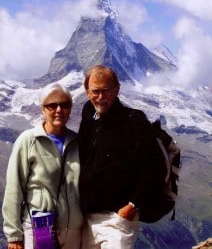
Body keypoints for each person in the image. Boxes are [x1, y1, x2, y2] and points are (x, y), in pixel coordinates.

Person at [78, 65, 167, 249]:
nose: (101, 97)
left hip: (118, 219)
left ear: (117, 90)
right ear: (87, 92)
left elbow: (154, 169)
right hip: (87, 218)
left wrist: (132, 206)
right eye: (96, 91)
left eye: (106, 91)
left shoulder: (134, 121)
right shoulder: (88, 121)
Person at [2, 83, 84, 249]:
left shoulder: (77, 143)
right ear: (43, 109)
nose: (59, 110)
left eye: (64, 105)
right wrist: (13, 234)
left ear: (70, 109)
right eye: (52, 105)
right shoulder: (28, 140)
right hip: (40, 226)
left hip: (74, 232)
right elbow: (14, 188)